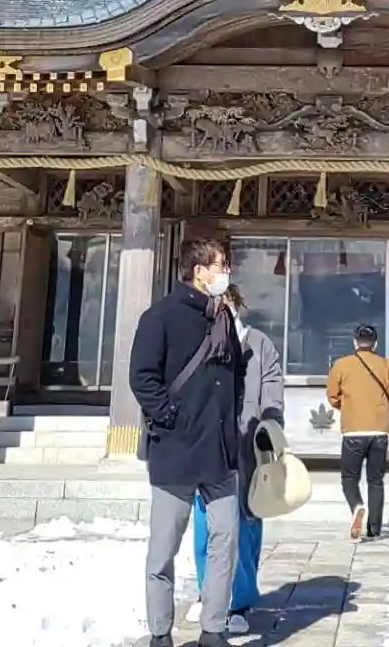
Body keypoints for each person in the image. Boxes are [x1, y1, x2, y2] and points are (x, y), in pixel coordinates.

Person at [130, 236, 243, 647]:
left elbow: (235, 374)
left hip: (219, 449)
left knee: (226, 538)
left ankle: (213, 627)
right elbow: (142, 377)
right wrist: (170, 416)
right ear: (199, 271)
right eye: (220, 265)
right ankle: (161, 632)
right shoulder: (160, 316)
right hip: (176, 449)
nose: (225, 272)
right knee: (164, 548)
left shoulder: (222, 317)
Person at [190, 286, 283, 636]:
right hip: (209, 445)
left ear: (236, 305)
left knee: (244, 526)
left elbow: (272, 387)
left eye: (226, 302)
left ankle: (239, 602)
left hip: (247, 447)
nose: (221, 309)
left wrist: (270, 423)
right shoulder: (201, 340)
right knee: (206, 525)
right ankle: (209, 594)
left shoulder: (258, 344)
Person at [325, 323, 389, 540]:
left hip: (353, 431)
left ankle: (357, 505)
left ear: (355, 343)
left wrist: (348, 406)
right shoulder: (386, 365)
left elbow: (332, 396)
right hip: (379, 432)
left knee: (349, 477)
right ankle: (374, 529)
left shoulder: (341, 365)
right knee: (376, 480)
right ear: (375, 344)